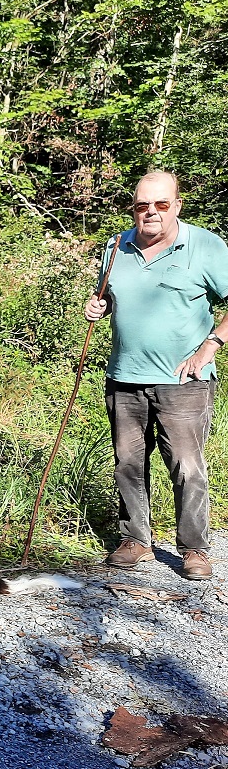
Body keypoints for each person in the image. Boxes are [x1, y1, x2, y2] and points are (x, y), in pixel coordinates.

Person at [85, 171, 228, 580]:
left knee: (186, 466)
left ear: (177, 205)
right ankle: (136, 540)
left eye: (161, 204)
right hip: (124, 376)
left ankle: (194, 548)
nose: (150, 212)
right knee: (127, 463)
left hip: (184, 380)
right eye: (142, 205)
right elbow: (110, 298)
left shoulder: (204, 246)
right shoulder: (116, 246)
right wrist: (100, 309)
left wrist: (210, 346)